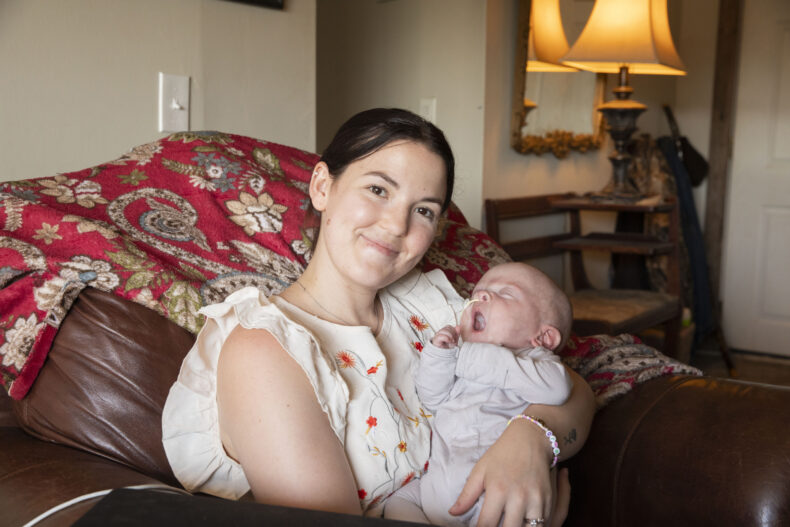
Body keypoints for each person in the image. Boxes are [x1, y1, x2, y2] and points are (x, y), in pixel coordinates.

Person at [161, 108, 595, 527]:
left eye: (423, 209)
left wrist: (531, 440)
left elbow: (575, 391)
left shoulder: (430, 307)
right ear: (322, 187)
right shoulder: (266, 350)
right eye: (378, 190)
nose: (395, 225)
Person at [384, 262, 574, 526]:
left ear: (543, 337)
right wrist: (439, 356)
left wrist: (472, 358)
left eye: (506, 293)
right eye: (477, 292)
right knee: (399, 502)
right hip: (436, 489)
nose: (480, 296)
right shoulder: (460, 352)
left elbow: (559, 388)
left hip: (498, 488)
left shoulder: (535, 360)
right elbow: (433, 398)